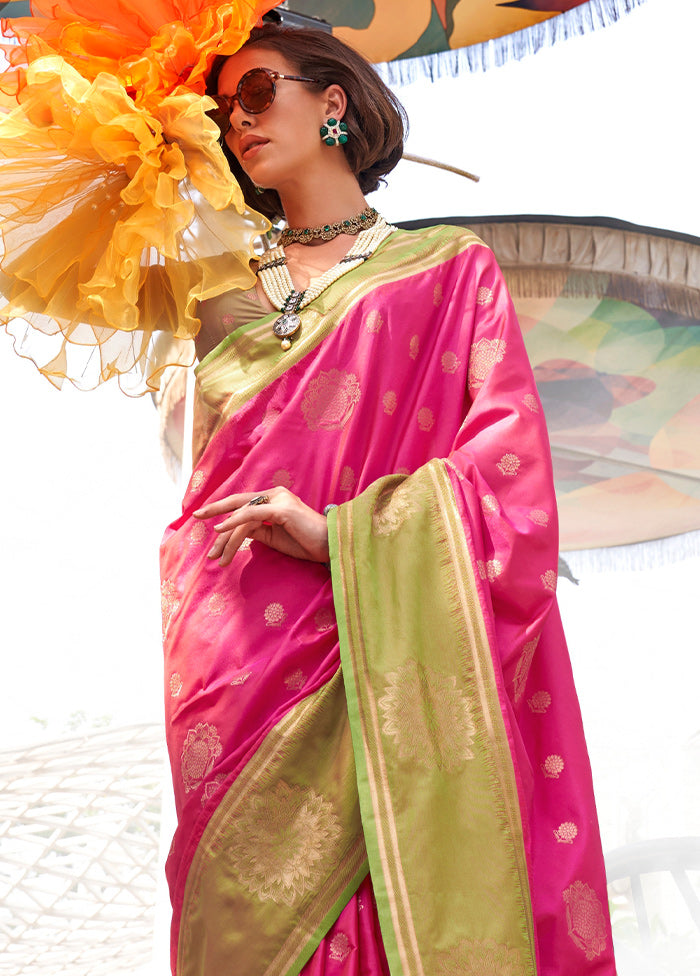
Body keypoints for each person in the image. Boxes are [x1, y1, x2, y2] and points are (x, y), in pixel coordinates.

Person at [159, 23, 616, 976]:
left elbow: (511, 480)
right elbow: (204, 476)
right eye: (221, 111)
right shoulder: (215, 297)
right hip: (238, 641)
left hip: (383, 632)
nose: (238, 121)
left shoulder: (446, 268)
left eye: (257, 93)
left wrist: (342, 537)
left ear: (333, 101)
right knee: (240, 915)